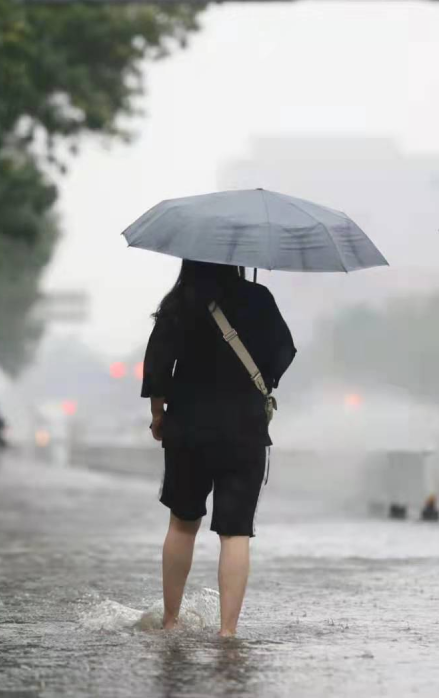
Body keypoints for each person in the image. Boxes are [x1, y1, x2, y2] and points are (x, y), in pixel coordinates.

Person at [142, 260, 296, 637]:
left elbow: (157, 367)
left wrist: (158, 415)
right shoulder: (259, 298)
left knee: (182, 523)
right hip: (244, 430)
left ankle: (170, 621)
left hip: (188, 430)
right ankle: (228, 632)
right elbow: (284, 352)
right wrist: (260, 377)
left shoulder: (180, 302)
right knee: (236, 533)